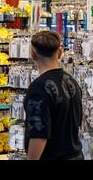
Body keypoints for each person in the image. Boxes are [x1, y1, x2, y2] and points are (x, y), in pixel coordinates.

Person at [25, 31, 83, 160]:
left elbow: (38, 134)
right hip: (76, 154)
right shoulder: (72, 81)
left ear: (33, 54)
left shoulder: (38, 88)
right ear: (60, 53)